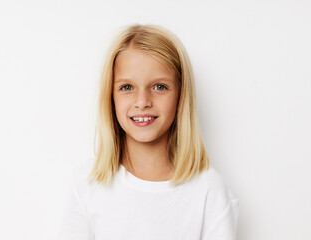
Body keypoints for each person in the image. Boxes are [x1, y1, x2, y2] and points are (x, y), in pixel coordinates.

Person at [57, 23, 239, 240]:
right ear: (111, 97)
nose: (142, 102)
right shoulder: (86, 184)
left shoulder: (210, 192)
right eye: (127, 87)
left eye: (159, 87)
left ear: (181, 95)